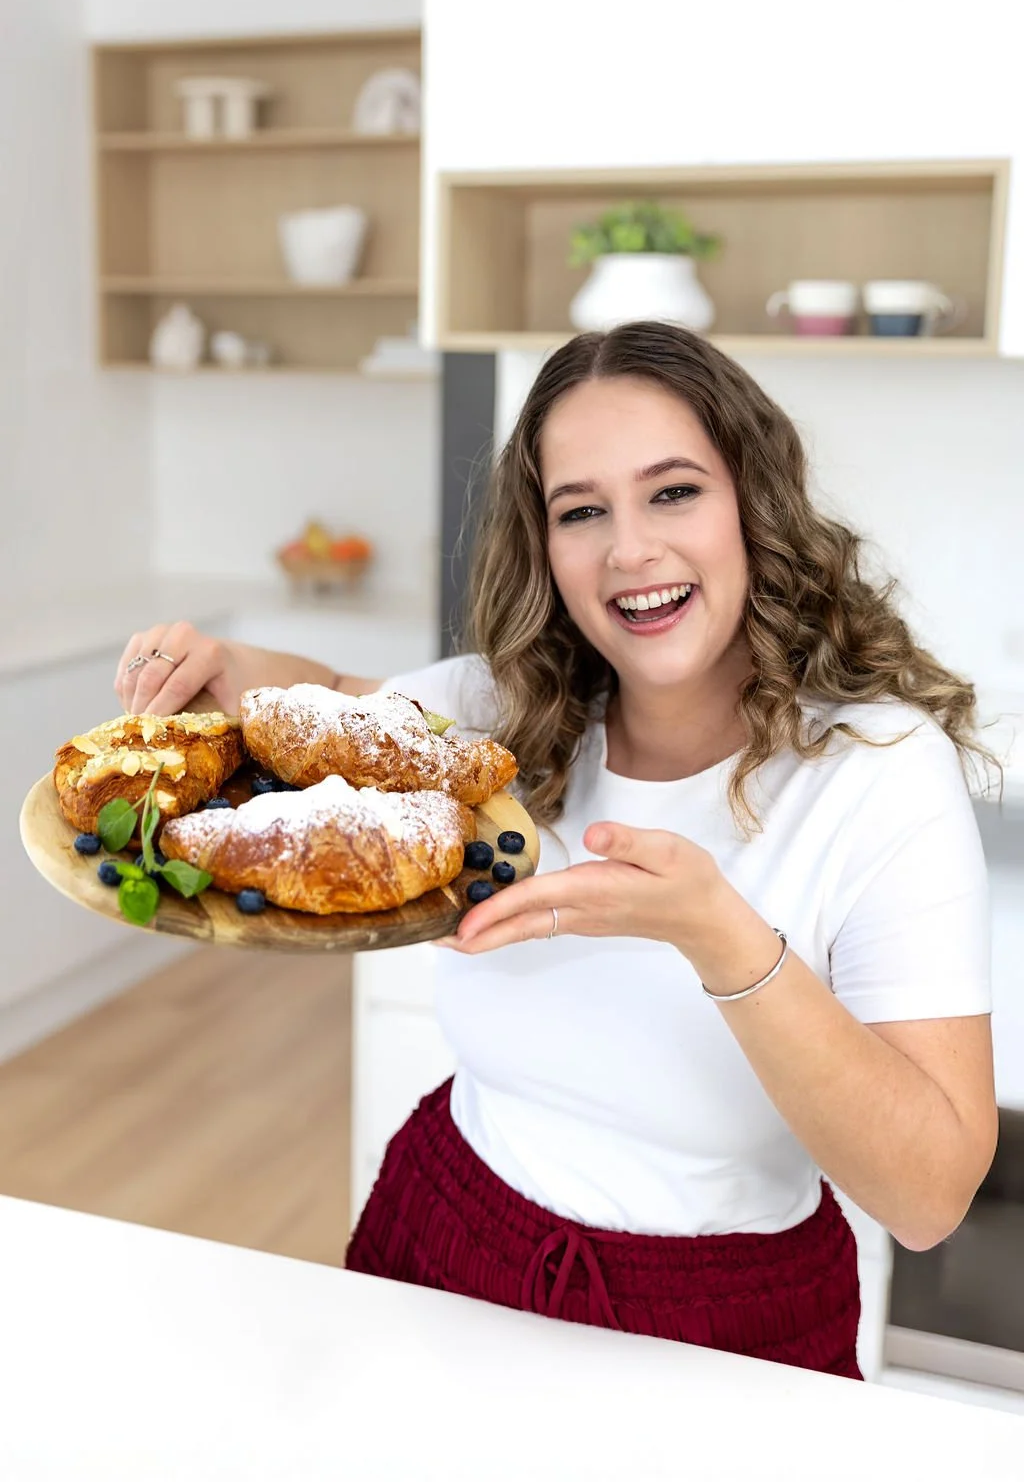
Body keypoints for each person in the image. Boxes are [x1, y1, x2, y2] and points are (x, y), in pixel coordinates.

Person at [115, 322, 1003, 1381]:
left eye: (673, 491)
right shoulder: (507, 714)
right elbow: (346, 703)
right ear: (545, 548)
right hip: (440, 1247)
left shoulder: (878, 772)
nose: (629, 549)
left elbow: (930, 1194)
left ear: (752, 504)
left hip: (728, 1332)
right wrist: (227, 664)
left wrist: (720, 940)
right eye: (582, 511)